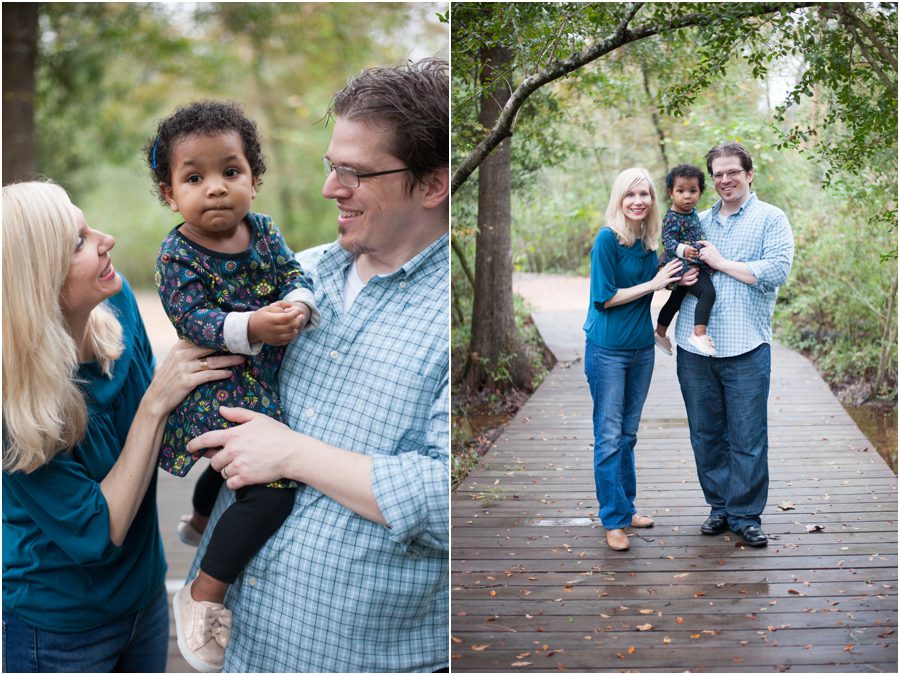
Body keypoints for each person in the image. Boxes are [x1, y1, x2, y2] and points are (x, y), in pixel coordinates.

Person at [183, 58, 450, 672]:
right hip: (238, 648)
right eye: (332, 166)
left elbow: (444, 501)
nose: (332, 187)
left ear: (432, 185)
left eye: (354, 172)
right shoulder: (299, 275)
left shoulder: (447, 316)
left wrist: (292, 454)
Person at [1, 181, 243, 672]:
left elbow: (155, 438)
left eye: (88, 226)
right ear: (38, 279)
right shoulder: (13, 403)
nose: (105, 239)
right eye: (78, 243)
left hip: (143, 594)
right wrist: (157, 401)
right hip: (56, 626)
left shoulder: (117, 306)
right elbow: (98, 530)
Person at [144, 100, 319, 672]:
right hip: (215, 385)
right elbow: (191, 318)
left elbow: (294, 274)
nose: (215, 189)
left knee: (228, 468)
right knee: (272, 484)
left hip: (259, 380)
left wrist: (298, 303)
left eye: (230, 172)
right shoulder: (176, 255)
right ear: (171, 194)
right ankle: (203, 594)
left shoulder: (263, 232)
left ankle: (199, 522)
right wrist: (251, 326)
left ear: (254, 179)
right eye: (194, 178)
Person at [674, 141, 794, 548]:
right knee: (706, 434)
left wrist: (722, 263)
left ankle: (745, 515)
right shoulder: (697, 219)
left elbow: (776, 269)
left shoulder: (770, 218)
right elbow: (672, 257)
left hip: (747, 345)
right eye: (718, 174)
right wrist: (679, 277)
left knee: (747, 436)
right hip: (697, 347)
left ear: (749, 173)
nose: (725, 180)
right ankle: (720, 507)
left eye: (733, 172)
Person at [583, 167, 697, 552]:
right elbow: (605, 297)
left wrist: (680, 280)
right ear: (619, 199)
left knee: (628, 436)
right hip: (607, 351)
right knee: (609, 436)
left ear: (652, 200)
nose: (638, 201)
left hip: (640, 350)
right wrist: (653, 283)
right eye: (630, 194)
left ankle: (627, 507)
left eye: (645, 194)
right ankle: (613, 520)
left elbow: (663, 284)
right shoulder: (607, 240)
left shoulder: (650, 245)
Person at [654, 164, 717, 356]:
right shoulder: (673, 217)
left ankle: (659, 333)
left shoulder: (692, 214)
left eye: (693, 191)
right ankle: (699, 334)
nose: (687, 196)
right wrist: (683, 249)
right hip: (682, 264)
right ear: (671, 193)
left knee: (675, 301)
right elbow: (667, 240)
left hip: (691, 261)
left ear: (700, 193)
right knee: (707, 293)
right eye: (681, 191)